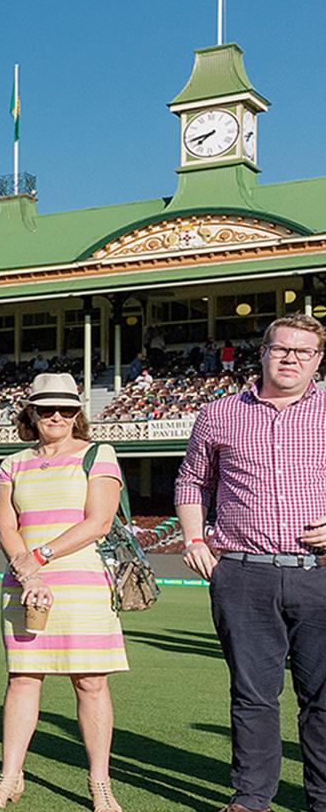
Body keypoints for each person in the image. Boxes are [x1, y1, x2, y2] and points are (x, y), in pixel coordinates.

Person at [176, 314, 326, 812]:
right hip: (243, 572)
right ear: (262, 353)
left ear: (318, 360)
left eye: (303, 352)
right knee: (253, 696)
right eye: (282, 348)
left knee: (323, 698)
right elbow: (191, 481)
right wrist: (195, 538)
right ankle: (251, 799)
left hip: (320, 572)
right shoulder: (219, 414)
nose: (291, 358)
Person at [0, 372, 127, 811]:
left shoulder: (99, 454)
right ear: (31, 413)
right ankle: (9, 778)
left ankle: (100, 783)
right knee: (23, 679)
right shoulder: (13, 462)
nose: (57, 416)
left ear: (78, 413)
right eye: (47, 409)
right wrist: (29, 574)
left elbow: (98, 522)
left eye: (66, 409)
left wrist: (38, 558)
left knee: (91, 683)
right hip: (24, 582)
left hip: (80, 581)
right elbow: (6, 525)